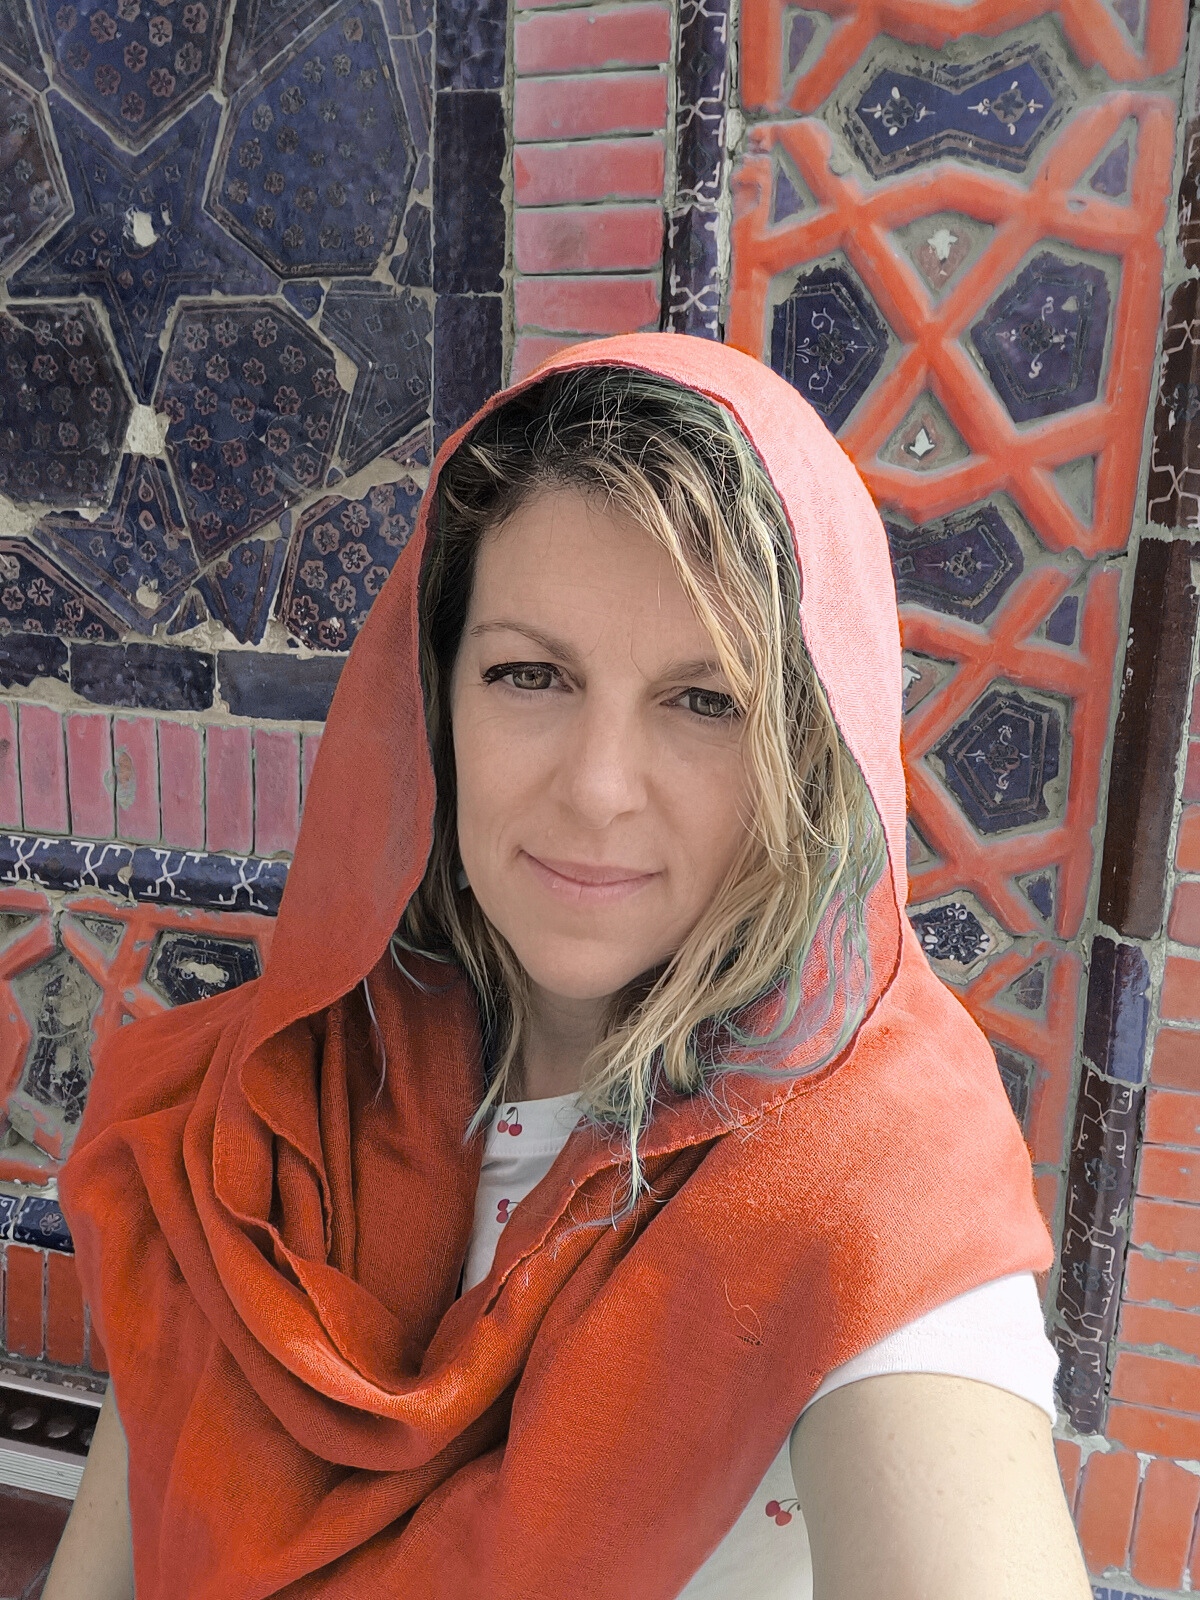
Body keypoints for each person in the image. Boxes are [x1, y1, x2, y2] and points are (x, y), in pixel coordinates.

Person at [49, 335, 1091, 1599]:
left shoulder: (875, 1172)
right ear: (433, 702)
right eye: (529, 674)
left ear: (811, 746)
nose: (597, 789)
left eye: (706, 699)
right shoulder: (258, 1116)